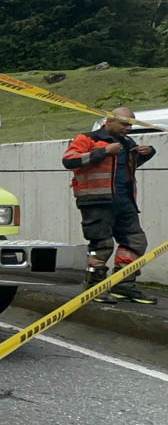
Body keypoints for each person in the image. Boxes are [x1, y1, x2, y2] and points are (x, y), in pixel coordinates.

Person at [62, 107, 157, 304]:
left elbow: (126, 168)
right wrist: (104, 151)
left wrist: (147, 153)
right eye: (125, 124)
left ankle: (123, 285)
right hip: (95, 201)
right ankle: (93, 288)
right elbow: (69, 160)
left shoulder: (127, 142)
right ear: (109, 120)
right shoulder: (87, 138)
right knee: (101, 246)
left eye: (131, 124)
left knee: (135, 242)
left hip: (125, 201)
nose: (129, 128)